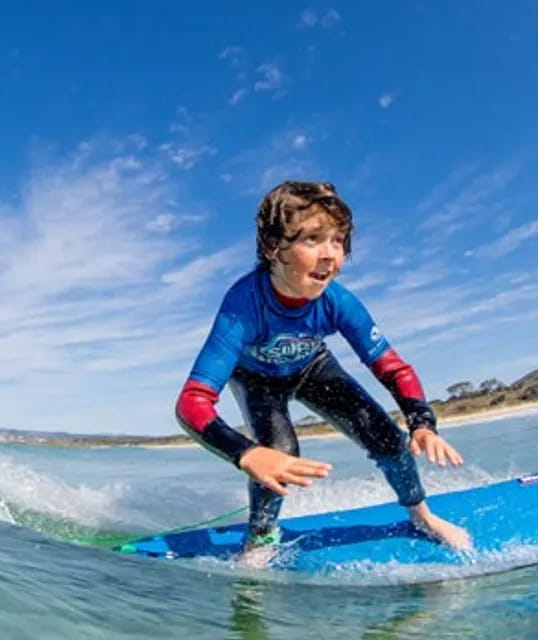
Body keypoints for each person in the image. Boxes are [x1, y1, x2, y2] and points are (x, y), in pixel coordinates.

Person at [175, 181, 471, 562]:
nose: (331, 255)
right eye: (313, 239)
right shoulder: (242, 307)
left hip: (312, 367)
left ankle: (422, 516)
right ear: (272, 248)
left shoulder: (338, 301)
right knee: (279, 453)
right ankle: (260, 541)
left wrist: (422, 422)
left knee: (388, 439)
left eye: (338, 240)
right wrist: (245, 453)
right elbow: (192, 402)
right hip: (255, 378)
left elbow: (393, 368)